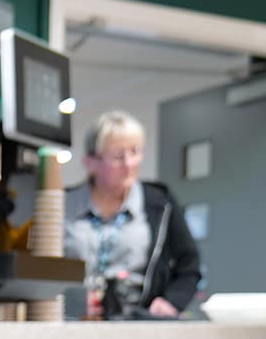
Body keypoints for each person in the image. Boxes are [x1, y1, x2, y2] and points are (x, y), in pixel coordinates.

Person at [64, 111, 202, 319]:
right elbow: (38, 271)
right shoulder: (63, 204)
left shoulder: (160, 202)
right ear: (91, 162)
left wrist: (172, 301)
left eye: (135, 151)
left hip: (138, 321)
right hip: (73, 320)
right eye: (118, 156)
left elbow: (189, 264)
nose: (129, 163)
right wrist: (74, 300)